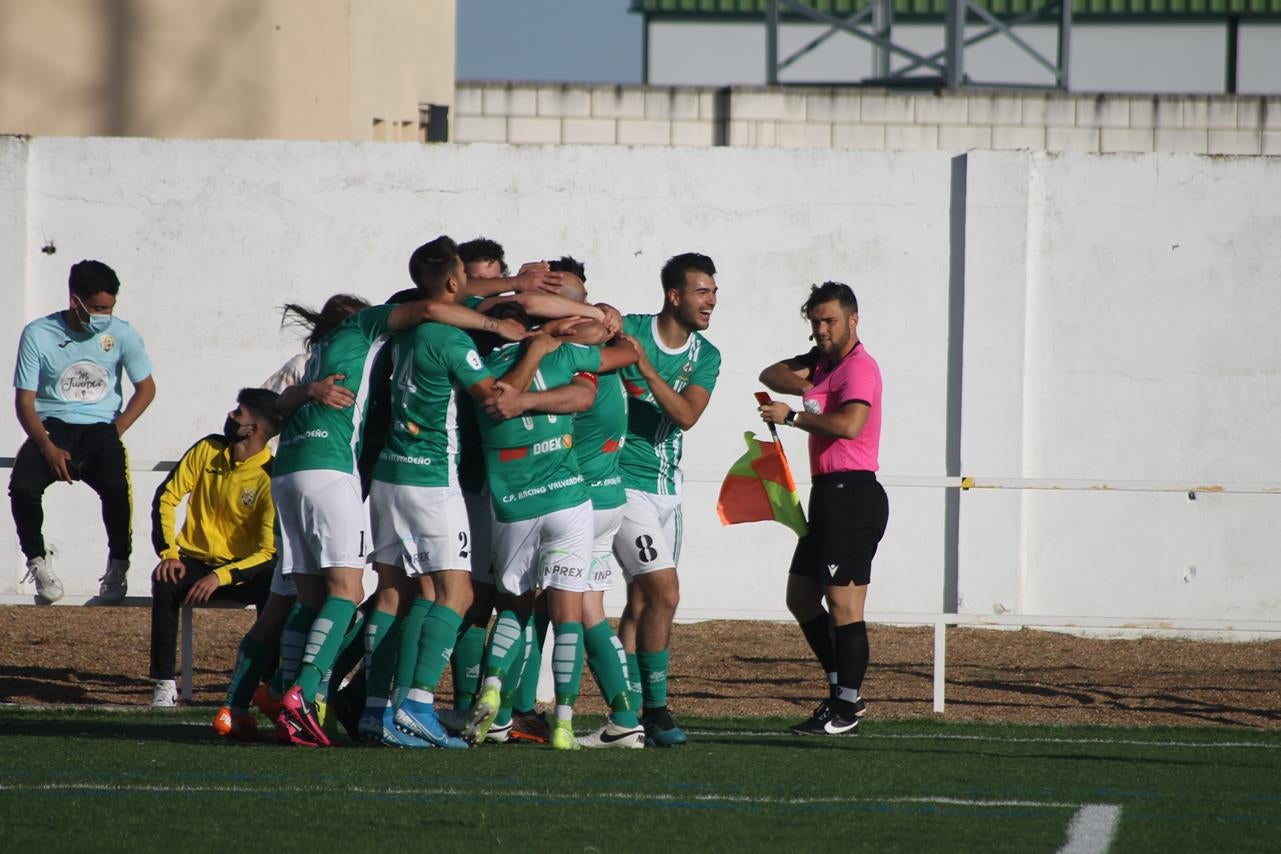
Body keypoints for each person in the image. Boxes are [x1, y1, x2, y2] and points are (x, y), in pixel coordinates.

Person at [758, 281, 888, 737]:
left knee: (843, 604)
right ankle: (839, 693)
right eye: (815, 321)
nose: (821, 329)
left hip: (853, 494)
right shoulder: (826, 363)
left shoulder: (859, 369)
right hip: (826, 495)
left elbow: (850, 425)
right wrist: (814, 383)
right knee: (800, 596)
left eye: (830, 320)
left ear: (854, 319)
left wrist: (794, 415)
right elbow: (769, 374)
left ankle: (847, 708)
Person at [612, 252, 721, 747]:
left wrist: (647, 373)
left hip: (667, 493)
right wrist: (602, 315)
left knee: (642, 603)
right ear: (674, 295)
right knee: (666, 593)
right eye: (702, 291)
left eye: (714, 292)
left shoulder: (707, 356)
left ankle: (626, 713)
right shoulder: (632, 329)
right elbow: (594, 326)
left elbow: (686, 415)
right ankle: (654, 711)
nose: (711, 301)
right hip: (621, 484)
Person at [10, 260, 156, 604]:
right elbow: (25, 403)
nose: (106, 315)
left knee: (118, 490)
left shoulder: (122, 333)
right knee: (22, 487)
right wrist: (46, 447)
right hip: (52, 427)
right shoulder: (38, 333)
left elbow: (146, 388)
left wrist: (115, 429)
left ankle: (118, 563)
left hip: (100, 427)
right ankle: (37, 561)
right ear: (76, 302)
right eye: (100, 308)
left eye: (111, 307)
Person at [149, 389, 283, 710]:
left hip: (240, 571)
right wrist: (169, 553)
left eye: (239, 413)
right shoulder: (208, 448)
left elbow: (267, 552)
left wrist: (220, 577)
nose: (231, 415)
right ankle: (164, 684)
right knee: (165, 579)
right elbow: (166, 497)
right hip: (193, 563)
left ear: (255, 430)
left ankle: (267, 683)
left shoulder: (271, 476)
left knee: (273, 584)